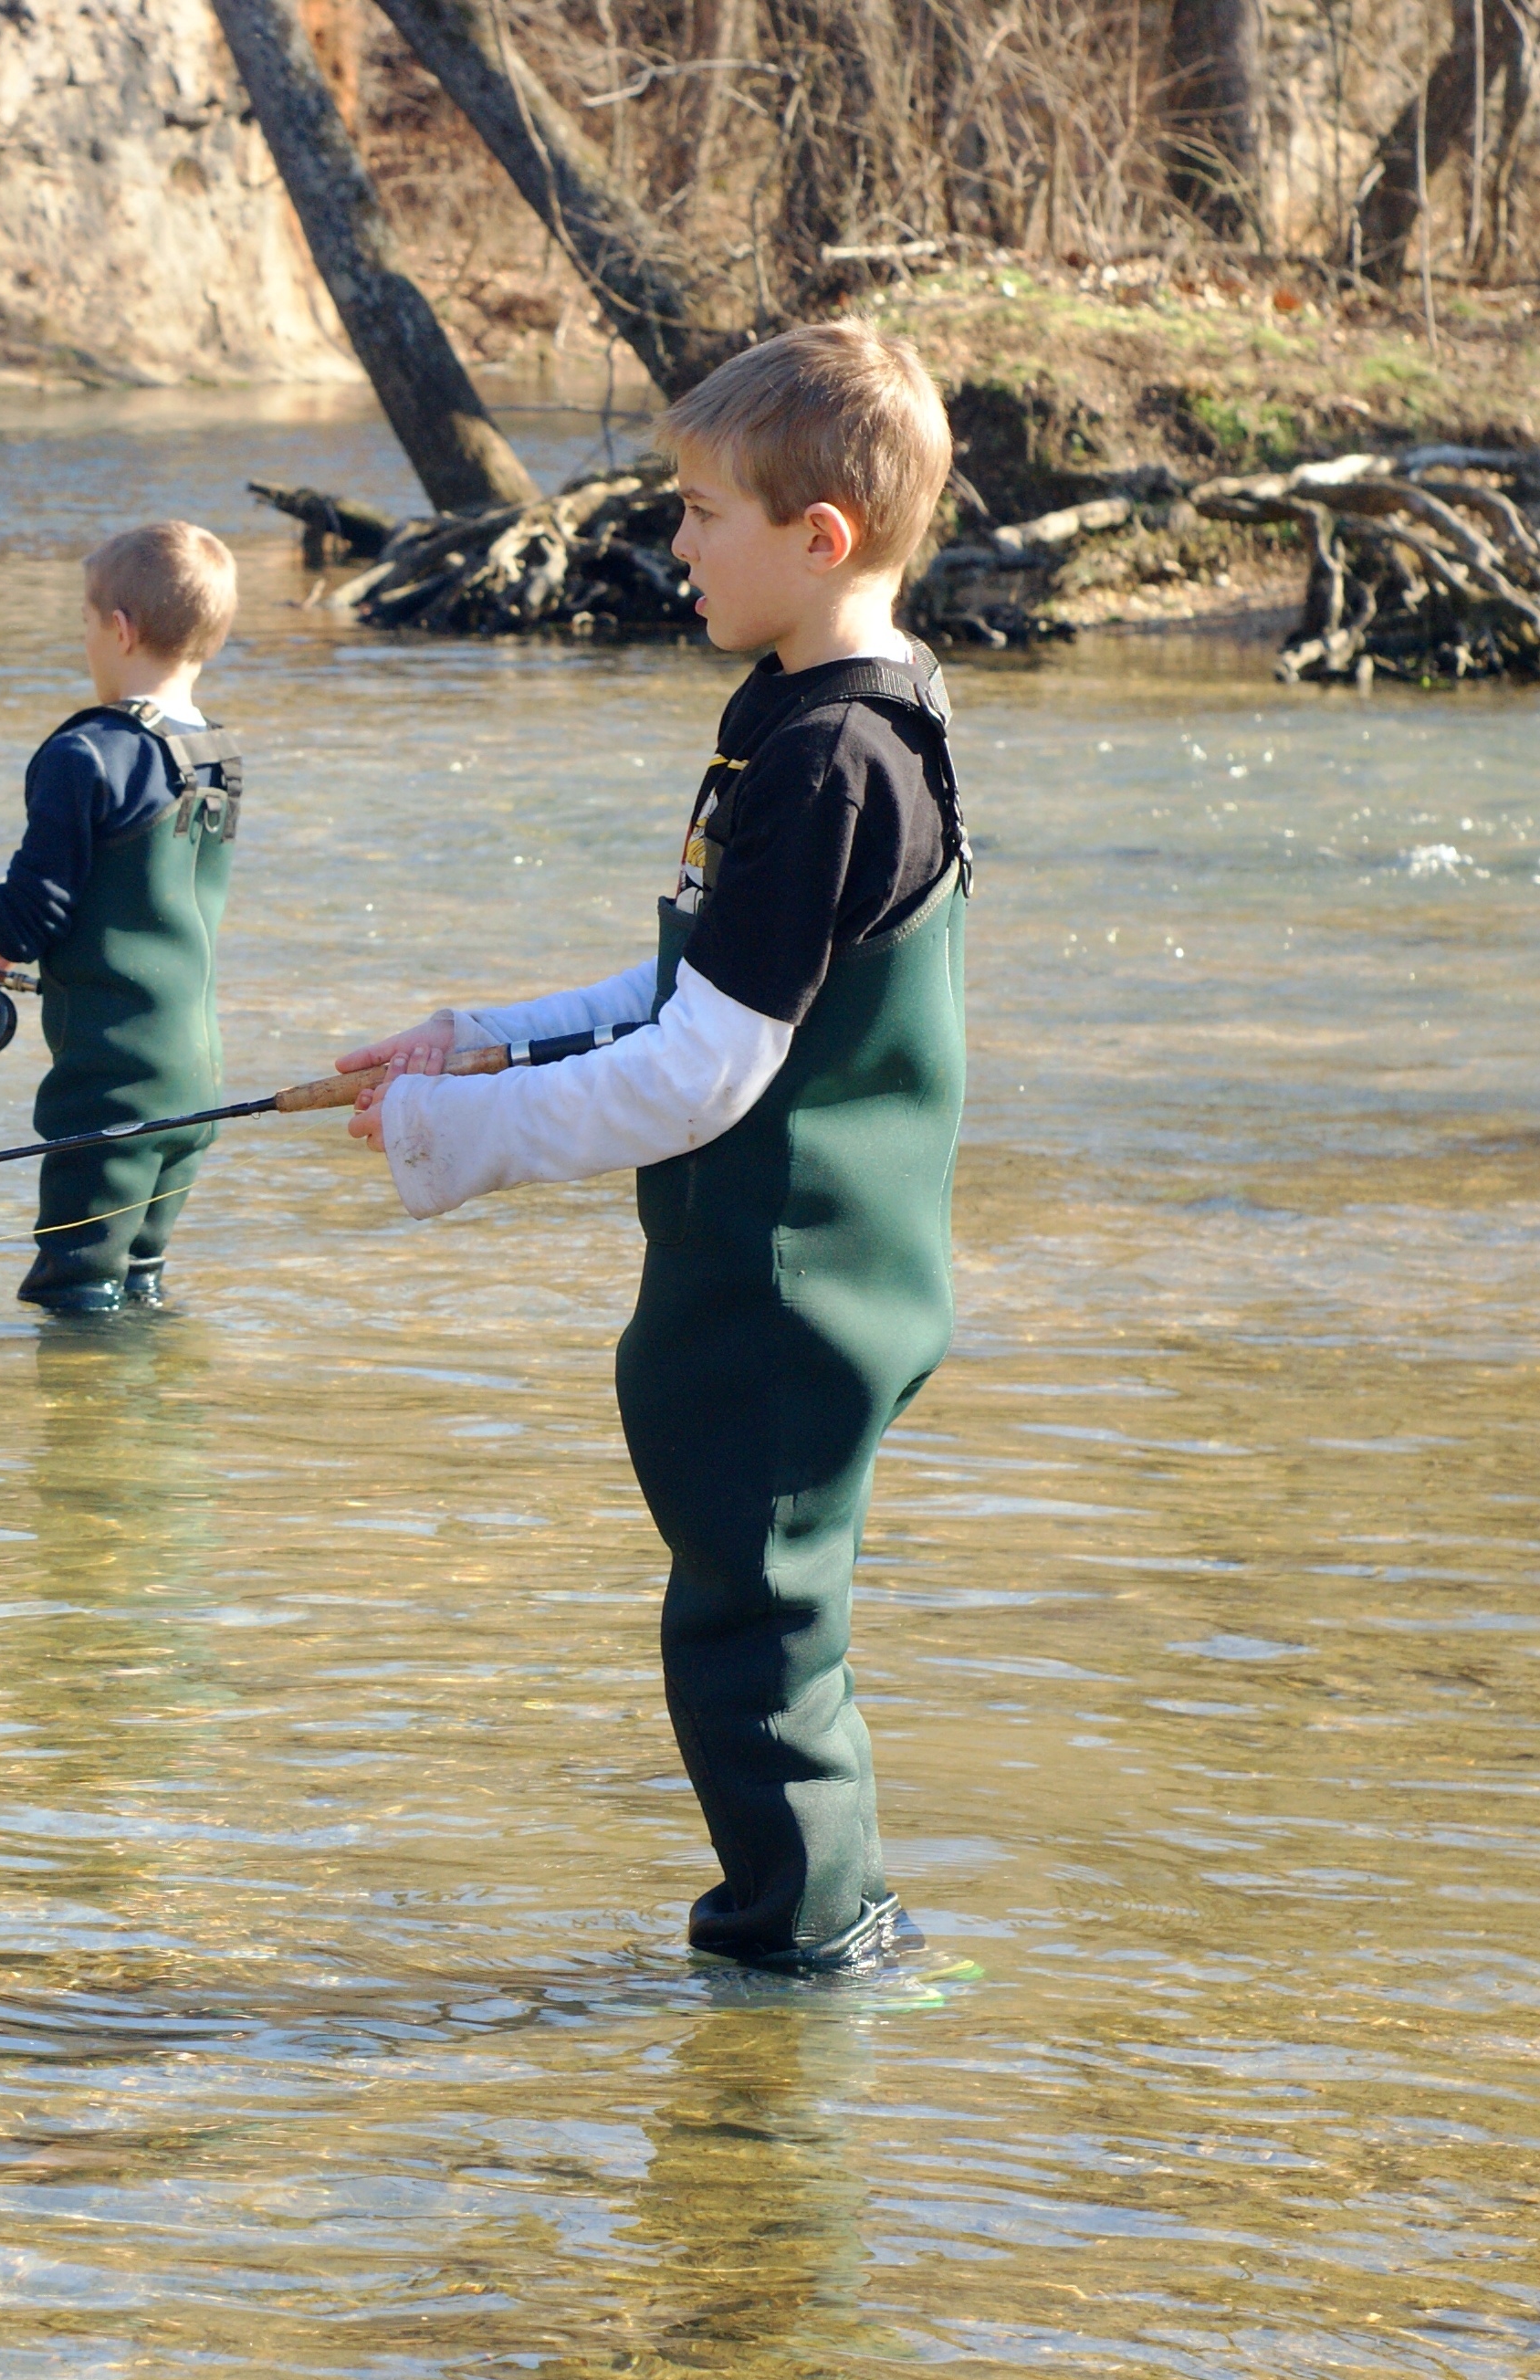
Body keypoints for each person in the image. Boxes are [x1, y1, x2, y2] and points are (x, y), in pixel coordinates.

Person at [340, 321, 970, 1975]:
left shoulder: (836, 757)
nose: (668, 541)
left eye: (697, 512)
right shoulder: (789, 707)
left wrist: (450, 1136)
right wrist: (475, 1036)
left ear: (814, 536)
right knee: (751, 1611)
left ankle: (804, 1954)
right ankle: (831, 1921)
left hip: (791, 1278)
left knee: (747, 1628)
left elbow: (700, 1069)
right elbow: (692, 971)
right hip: (768, 1268)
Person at [0, 523, 246, 1315]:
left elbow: (20, 921)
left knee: (75, 1298)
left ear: (118, 628)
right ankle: (161, 1431)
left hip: (111, 1092)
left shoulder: (87, 753)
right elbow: (129, 907)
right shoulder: (217, 756)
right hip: (197, 1083)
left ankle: (85, 1435)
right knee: (139, 1287)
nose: (83, 638)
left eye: (83, 621)